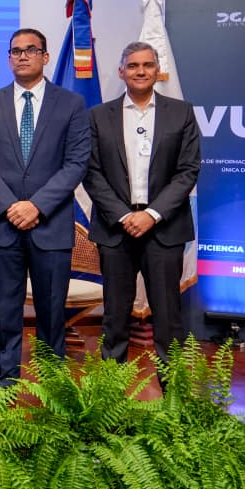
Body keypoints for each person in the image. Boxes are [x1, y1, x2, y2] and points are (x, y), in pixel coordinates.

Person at [0, 28, 90, 386]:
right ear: (9, 58)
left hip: (50, 225)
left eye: (31, 49)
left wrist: (36, 206)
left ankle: (53, 384)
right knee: (6, 310)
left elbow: (76, 163)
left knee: (52, 311)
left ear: (45, 57)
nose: (22, 56)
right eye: (16, 51)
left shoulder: (70, 104)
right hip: (2, 224)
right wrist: (11, 206)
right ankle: (5, 382)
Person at [83, 41, 200, 370]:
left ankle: (173, 395)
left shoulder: (181, 112)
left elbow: (188, 170)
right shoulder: (98, 116)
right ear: (121, 71)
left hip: (164, 228)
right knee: (114, 319)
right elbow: (91, 172)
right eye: (133, 65)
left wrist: (151, 214)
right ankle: (111, 395)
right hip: (115, 229)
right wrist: (124, 215)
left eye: (147, 65)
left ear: (157, 70)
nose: (140, 71)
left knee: (169, 320)